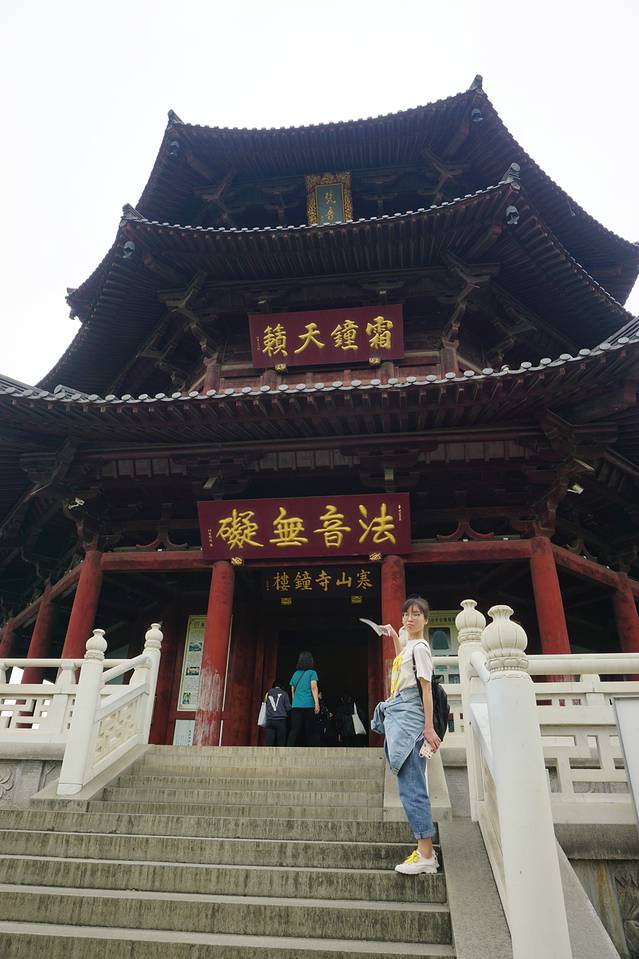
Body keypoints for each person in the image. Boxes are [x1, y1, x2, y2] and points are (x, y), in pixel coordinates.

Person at [371, 596, 440, 875]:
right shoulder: (409, 646)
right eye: (406, 614)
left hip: (411, 716)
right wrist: (393, 636)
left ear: (426, 619)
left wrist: (428, 727)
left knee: (412, 787)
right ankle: (425, 851)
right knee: (409, 785)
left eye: (416, 614)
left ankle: (425, 854)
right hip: (400, 710)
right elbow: (403, 666)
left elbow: (426, 688)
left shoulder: (421, 648)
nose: (410, 619)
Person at [287, 651, 320, 746]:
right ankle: (313, 748)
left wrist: (295, 702)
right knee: (312, 729)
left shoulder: (295, 674)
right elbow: (314, 688)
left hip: (296, 706)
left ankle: (288, 748)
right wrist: (317, 704)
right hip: (309, 705)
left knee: (294, 730)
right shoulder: (312, 673)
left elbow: (292, 690)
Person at [263, 679, 291, 746]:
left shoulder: (268, 693)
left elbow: (265, 704)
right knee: (281, 742)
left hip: (270, 720)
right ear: (282, 686)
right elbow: (288, 707)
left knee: (269, 742)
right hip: (281, 721)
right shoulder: (284, 694)